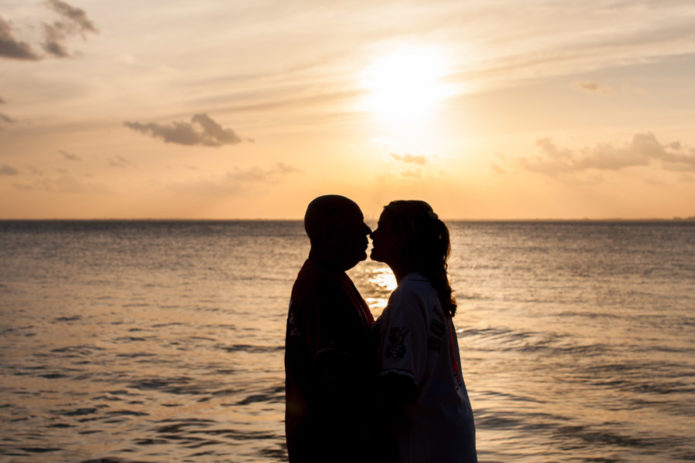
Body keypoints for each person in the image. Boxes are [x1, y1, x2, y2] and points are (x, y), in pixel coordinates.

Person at [370, 200, 477, 463]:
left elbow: (400, 385)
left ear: (402, 238)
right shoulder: (425, 290)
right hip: (448, 440)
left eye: (382, 227)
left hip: (428, 446)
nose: (373, 233)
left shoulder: (410, 295)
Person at [285, 195, 378, 463]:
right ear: (331, 233)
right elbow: (336, 377)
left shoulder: (330, 279)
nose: (367, 231)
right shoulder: (320, 287)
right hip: (331, 447)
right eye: (357, 223)